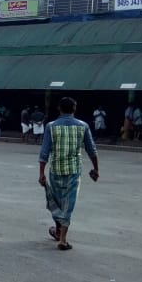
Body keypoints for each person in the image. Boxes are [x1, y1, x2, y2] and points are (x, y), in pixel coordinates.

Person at [38, 97, 100, 251]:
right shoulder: (83, 126)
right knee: (68, 204)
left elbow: (44, 152)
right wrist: (95, 169)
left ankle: (60, 232)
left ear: (59, 109)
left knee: (58, 202)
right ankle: (62, 239)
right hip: (73, 171)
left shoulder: (51, 127)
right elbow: (91, 150)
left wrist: (41, 173)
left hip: (56, 171)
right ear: (74, 109)